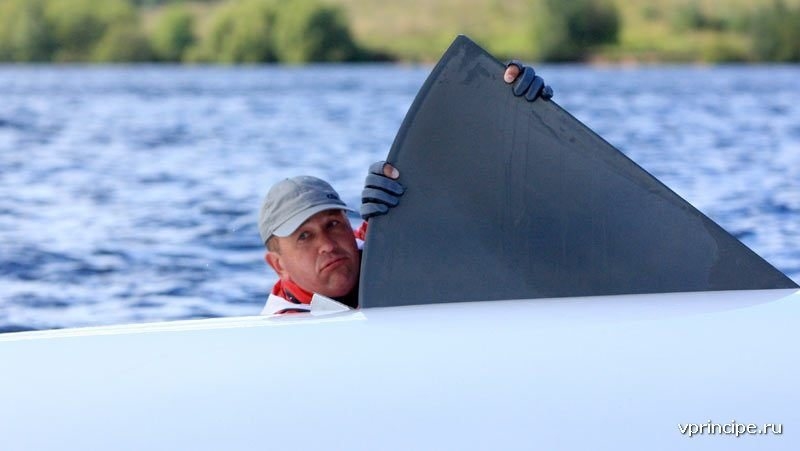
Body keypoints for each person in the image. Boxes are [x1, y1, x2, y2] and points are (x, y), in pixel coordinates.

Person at [258, 61, 551, 315]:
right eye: (304, 236)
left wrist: (506, 101)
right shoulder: (284, 330)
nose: (327, 244)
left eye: (333, 224)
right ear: (278, 265)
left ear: (350, 225)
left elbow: (457, 175)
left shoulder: (385, 238)